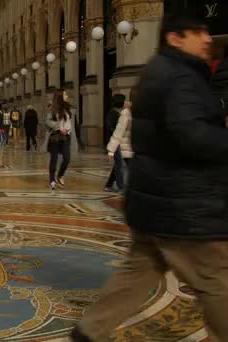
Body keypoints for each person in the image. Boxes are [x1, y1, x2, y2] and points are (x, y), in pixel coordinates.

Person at [72, 14, 228, 342]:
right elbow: (192, 135)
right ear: (175, 38)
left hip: (155, 200)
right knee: (216, 282)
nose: (207, 38)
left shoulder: (157, 72)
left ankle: (89, 331)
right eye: (197, 31)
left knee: (136, 274)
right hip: (184, 206)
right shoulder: (180, 77)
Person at [106, 89, 134, 187]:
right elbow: (117, 132)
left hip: (131, 146)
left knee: (121, 166)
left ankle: (110, 184)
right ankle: (121, 187)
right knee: (120, 166)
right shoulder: (123, 113)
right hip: (120, 145)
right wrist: (111, 150)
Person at [46, 89, 73, 190]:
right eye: (65, 94)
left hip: (65, 136)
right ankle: (52, 179)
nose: (67, 96)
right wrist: (58, 127)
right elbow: (47, 121)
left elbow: (69, 123)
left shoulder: (68, 108)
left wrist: (68, 130)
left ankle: (60, 175)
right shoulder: (52, 109)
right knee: (54, 159)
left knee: (67, 158)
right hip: (55, 137)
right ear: (60, 96)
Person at [103, 94, 126, 192]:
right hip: (115, 142)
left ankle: (109, 185)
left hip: (117, 142)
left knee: (118, 164)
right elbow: (112, 129)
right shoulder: (113, 113)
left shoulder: (118, 113)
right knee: (119, 164)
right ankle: (121, 187)